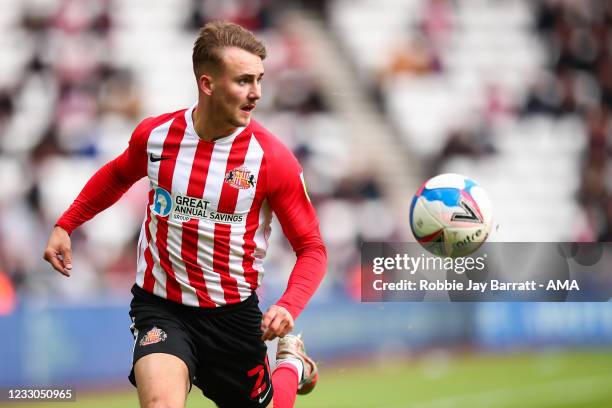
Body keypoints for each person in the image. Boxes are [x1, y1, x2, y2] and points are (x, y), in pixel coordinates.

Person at [43, 21, 327, 408]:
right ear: (208, 84)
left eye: (259, 80)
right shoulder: (156, 136)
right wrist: (67, 223)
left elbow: (312, 247)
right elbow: (117, 175)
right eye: (243, 81)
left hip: (232, 317)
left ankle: (290, 361)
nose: (256, 93)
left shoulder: (272, 159)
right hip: (161, 306)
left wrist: (288, 306)